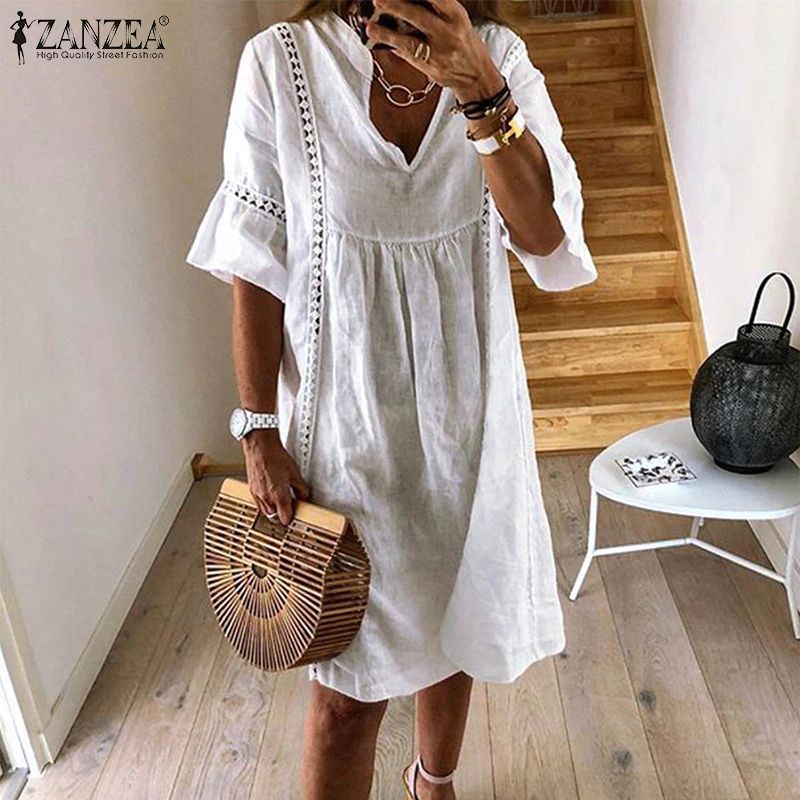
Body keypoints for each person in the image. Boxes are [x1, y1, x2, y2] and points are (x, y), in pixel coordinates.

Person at [186, 1, 597, 798]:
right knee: (345, 700)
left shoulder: (498, 57)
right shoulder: (281, 61)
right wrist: (258, 430)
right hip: (343, 435)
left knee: (458, 628)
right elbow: (255, 264)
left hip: (469, 423)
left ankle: (433, 783)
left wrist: (480, 89)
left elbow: (545, 236)